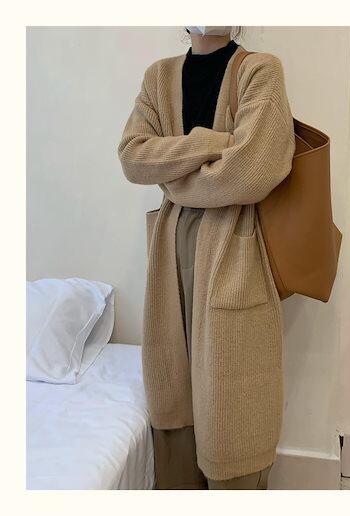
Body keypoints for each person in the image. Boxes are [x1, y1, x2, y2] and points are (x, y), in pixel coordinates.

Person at [118, 26, 296, 489]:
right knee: (173, 379)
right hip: (170, 244)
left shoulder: (260, 70)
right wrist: (216, 142)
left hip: (236, 245)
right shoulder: (158, 76)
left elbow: (253, 171)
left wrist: (173, 175)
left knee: (232, 390)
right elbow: (133, 157)